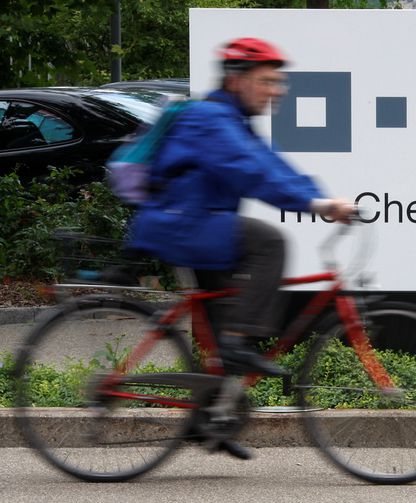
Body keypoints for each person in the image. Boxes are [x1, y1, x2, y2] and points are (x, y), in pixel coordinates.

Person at [127, 38, 354, 458]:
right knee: (269, 242)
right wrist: (314, 204)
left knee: (222, 316)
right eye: (266, 81)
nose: (277, 90)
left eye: (278, 82)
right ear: (236, 80)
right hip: (184, 224)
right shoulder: (209, 119)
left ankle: (208, 415)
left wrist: (318, 199)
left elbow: (271, 164)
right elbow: (250, 172)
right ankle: (238, 343)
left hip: (196, 226)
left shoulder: (232, 120)